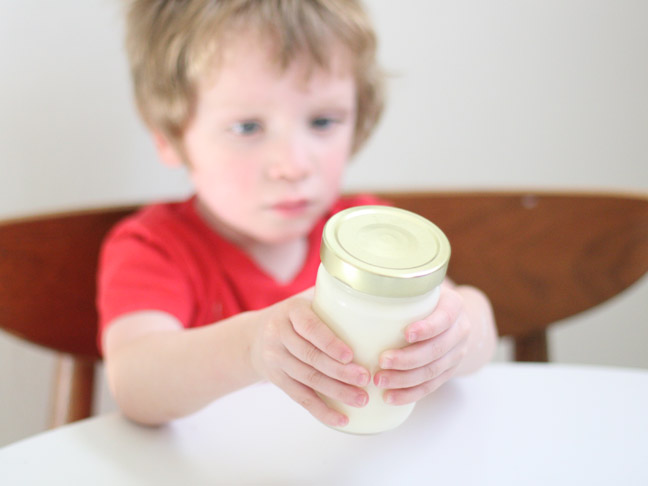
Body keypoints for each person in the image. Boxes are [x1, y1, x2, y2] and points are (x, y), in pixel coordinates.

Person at [98, 0, 497, 429]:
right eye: (247, 127)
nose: (293, 165)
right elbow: (135, 383)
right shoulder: (156, 248)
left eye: (323, 121)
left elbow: (478, 329)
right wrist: (250, 347)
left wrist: (452, 338)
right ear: (169, 136)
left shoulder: (366, 233)